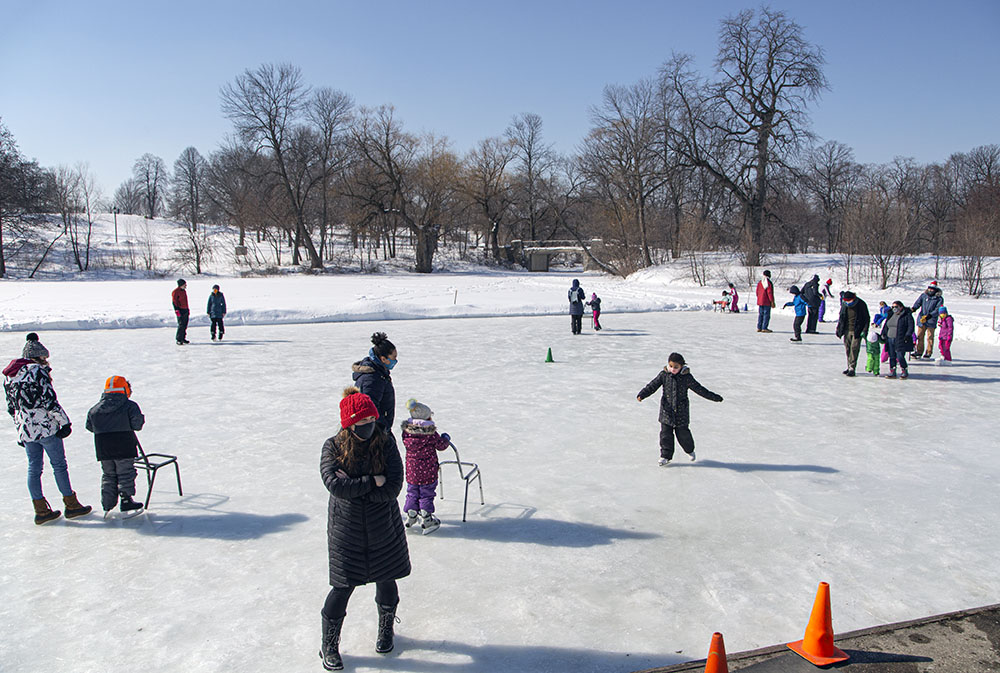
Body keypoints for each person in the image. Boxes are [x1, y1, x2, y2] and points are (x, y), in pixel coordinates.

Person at [319, 387, 410, 670]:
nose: (369, 428)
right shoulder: (333, 446)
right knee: (342, 587)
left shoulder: (386, 442)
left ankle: (386, 629)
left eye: (371, 422)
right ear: (349, 425)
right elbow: (334, 485)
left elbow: (393, 486)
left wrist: (357, 486)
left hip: (383, 526)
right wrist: (373, 481)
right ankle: (329, 645)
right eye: (362, 424)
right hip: (347, 531)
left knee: (387, 578)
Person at [4, 333, 91, 524]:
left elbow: (11, 408)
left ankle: (41, 510)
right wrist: (64, 422)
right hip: (45, 427)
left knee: (33, 468)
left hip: (26, 430)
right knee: (59, 465)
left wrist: (21, 431)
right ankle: (71, 504)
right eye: (44, 357)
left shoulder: (9, 376)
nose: (46, 361)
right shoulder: (38, 372)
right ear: (37, 357)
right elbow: (49, 401)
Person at [637, 352, 723, 466]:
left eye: (676, 367)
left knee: (683, 434)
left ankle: (689, 450)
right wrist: (642, 394)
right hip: (666, 410)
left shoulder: (686, 377)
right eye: (671, 366)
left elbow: (700, 389)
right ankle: (665, 456)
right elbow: (652, 385)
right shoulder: (664, 375)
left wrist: (714, 397)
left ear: (682, 366)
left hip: (681, 411)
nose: (672, 369)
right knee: (665, 434)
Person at [86, 376, 145, 516]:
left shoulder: (95, 409)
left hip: (103, 447)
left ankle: (107, 504)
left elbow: (89, 427)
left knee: (108, 474)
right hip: (124, 444)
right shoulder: (130, 406)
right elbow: (137, 425)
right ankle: (126, 501)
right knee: (125, 473)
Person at [399, 399, 450, 534]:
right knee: (426, 494)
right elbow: (441, 445)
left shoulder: (406, 433)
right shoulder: (430, 434)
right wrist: (446, 438)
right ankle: (427, 519)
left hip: (412, 470)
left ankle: (411, 515)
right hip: (428, 470)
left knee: (412, 492)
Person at [352, 332, 397, 433]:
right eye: (394, 357)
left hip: (380, 430)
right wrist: (383, 428)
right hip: (375, 432)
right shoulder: (371, 379)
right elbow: (368, 408)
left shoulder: (379, 372)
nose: (396, 360)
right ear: (383, 359)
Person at [835, 291, 870, 377]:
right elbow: (841, 317)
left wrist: (865, 330)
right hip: (847, 330)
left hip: (857, 330)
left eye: (848, 300)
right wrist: (839, 329)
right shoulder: (844, 305)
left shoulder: (861, 304)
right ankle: (849, 365)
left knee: (854, 349)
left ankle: (852, 368)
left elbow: (866, 318)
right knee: (848, 349)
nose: (847, 302)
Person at [881, 300, 915, 379]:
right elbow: (886, 325)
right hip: (890, 338)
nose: (894, 308)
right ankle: (892, 370)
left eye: (896, 307)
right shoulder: (891, 314)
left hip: (900, 339)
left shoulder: (906, 315)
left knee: (900, 356)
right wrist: (883, 333)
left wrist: (907, 335)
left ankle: (904, 370)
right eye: (893, 307)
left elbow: (911, 326)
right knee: (892, 356)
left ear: (901, 307)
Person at [911, 282, 944, 359]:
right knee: (920, 336)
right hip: (922, 319)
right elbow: (918, 303)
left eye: (932, 289)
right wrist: (913, 308)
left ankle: (928, 352)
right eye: (929, 288)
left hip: (931, 320)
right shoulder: (923, 295)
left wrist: (930, 316)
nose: (930, 290)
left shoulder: (939, 298)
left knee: (930, 337)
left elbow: (938, 309)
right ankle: (919, 351)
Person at [172, 279, 190, 345]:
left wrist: (188, 310)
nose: (186, 286)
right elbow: (174, 302)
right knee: (181, 325)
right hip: (180, 310)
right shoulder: (175, 292)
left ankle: (183, 338)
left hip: (185, 309)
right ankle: (179, 339)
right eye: (184, 284)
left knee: (185, 325)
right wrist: (177, 310)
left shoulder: (184, 291)